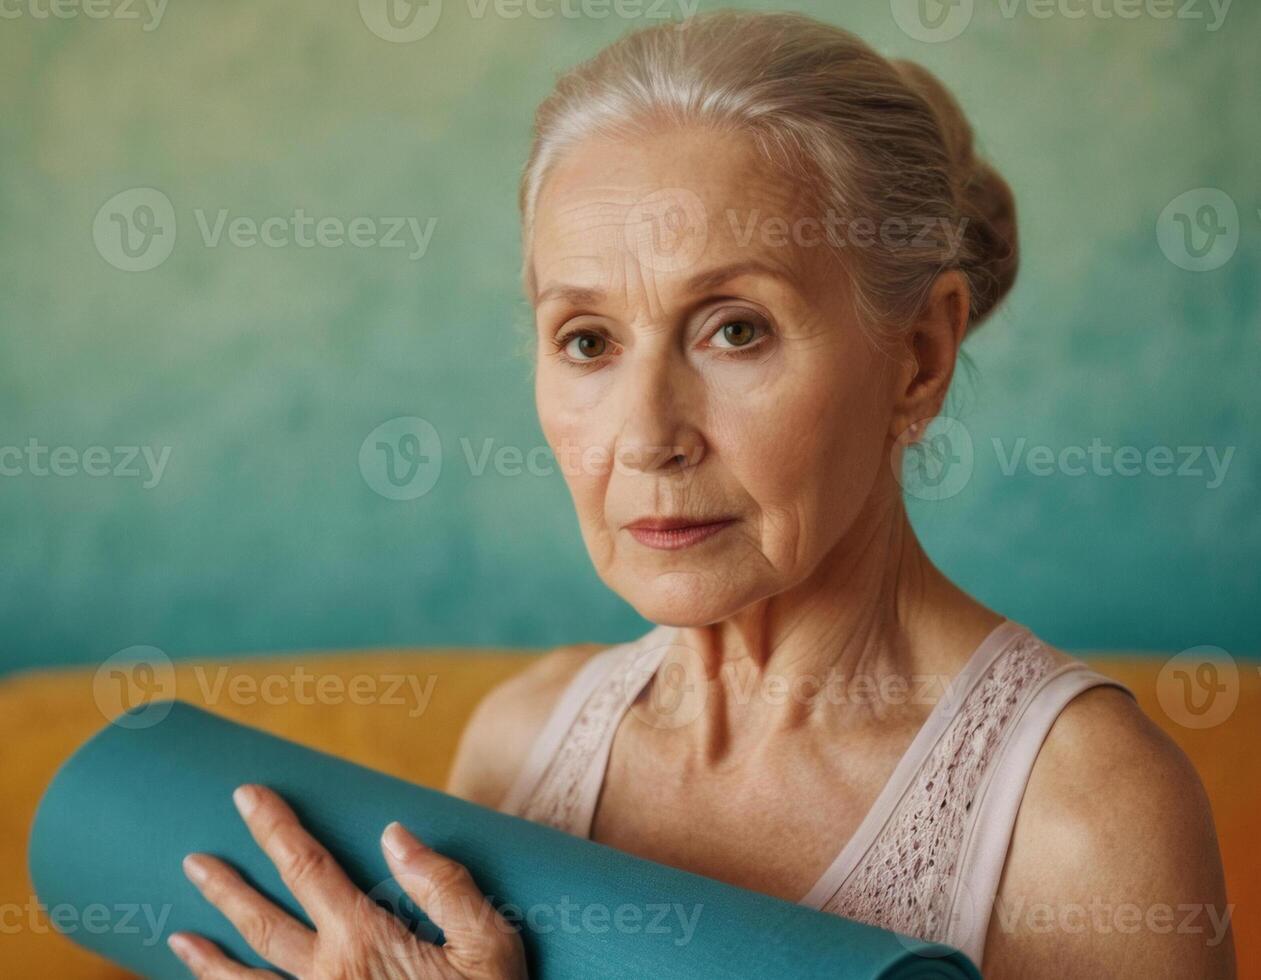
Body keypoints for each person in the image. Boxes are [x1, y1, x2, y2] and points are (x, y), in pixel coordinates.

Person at [167, 11, 1235, 978]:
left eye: (736, 329)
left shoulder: (1082, 810)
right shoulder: (517, 746)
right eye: (586, 340)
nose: (647, 436)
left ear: (917, 353)